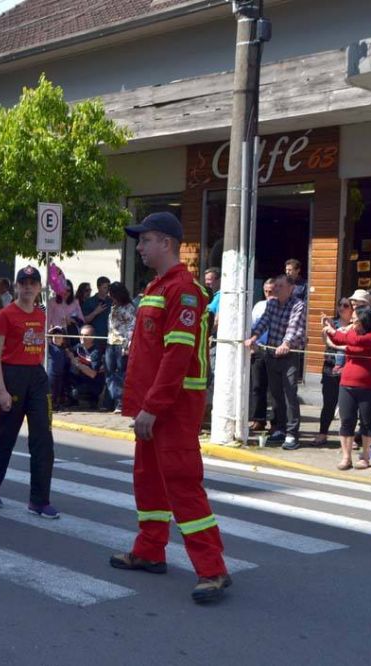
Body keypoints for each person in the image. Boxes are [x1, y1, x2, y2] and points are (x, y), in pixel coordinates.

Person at [110, 211, 230, 604]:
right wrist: (145, 406)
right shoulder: (159, 286)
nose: (139, 247)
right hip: (153, 405)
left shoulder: (184, 289)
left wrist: (154, 407)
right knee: (148, 481)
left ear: (164, 242)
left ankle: (213, 570)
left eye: (144, 240)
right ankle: (149, 551)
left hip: (171, 408)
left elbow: (177, 355)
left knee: (182, 484)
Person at [0, 266, 58, 517]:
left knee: (43, 439)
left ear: (38, 287)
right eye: (23, 282)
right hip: (12, 375)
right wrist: (0, 389)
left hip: (36, 377)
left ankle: (39, 500)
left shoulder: (41, 313)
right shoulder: (7, 314)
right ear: (16, 286)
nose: (28, 287)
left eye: (33, 283)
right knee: (5, 436)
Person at [245, 274, 307, 450]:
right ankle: (279, 428)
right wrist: (253, 337)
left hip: (288, 355)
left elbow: (294, 328)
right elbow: (264, 322)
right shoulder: (271, 304)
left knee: (290, 394)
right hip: (272, 353)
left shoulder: (298, 305)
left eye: (280, 286)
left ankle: (292, 433)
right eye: (276, 286)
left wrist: (286, 344)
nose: (276, 289)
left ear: (291, 288)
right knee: (276, 395)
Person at [323, 305, 371, 470]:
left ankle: (366, 456)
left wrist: (337, 335)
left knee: (366, 422)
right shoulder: (352, 331)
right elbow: (340, 341)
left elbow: (354, 341)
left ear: (364, 319)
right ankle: (346, 457)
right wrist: (335, 333)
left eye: (355, 319)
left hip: (369, 385)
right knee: (346, 420)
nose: (352, 321)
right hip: (347, 383)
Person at [314, 297, 352, 445]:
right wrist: (326, 329)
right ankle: (323, 433)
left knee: (348, 407)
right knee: (328, 403)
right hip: (330, 368)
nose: (341, 308)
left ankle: (349, 438)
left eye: (345, 305)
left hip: (349, 368)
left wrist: (333, 331)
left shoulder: (355, 325)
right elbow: (326, 341)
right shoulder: (333, 322)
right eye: (339, 305)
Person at [248, 278, 276, 431]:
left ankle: (276, 422)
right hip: (259, 350)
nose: (268, 294)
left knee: (275, 389)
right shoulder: (259, 306)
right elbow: (253, 326)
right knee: (257, 386)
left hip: (275, 350)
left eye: (271, 291)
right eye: (266, 291)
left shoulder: (280, 306)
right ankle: (259, 419)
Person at [104, 282, 135, 413]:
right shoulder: (114, 306)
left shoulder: (129, 307)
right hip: (111, 342)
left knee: (121, 373)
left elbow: (131, 327)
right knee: (109, 372)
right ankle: (114, 398)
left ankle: (121, 401)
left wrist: (127, 344)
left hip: (121, 343)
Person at [67, 325, 105, 408]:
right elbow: (68, 351)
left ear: (92, 338)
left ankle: (92, 401)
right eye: (81, 335)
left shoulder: (96, 352)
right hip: (82, 380)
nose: (82, 338)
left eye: (86, 336)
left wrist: (77, 364)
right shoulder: (79, 347)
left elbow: (93, 374)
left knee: (74, 393)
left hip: (94, 384)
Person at [82, 277, 112, 346]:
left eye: (108, 288)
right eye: (105, 288)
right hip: (94, 340)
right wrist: (95, 312)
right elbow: (85, 320)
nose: (107, 290)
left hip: (109, 339)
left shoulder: (111, 301)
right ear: (98, 287)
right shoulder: (89, 302)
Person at [48, 326, 69, 410]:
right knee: (51, 390)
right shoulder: (50, 347)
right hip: (51, 373)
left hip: (61, 373)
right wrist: (49, 332)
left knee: (58, 390)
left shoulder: (64, 349)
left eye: (59, 336)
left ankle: (56, 404)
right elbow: (44, 339)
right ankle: (50, 405)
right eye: (54, 336)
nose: (56, 338)